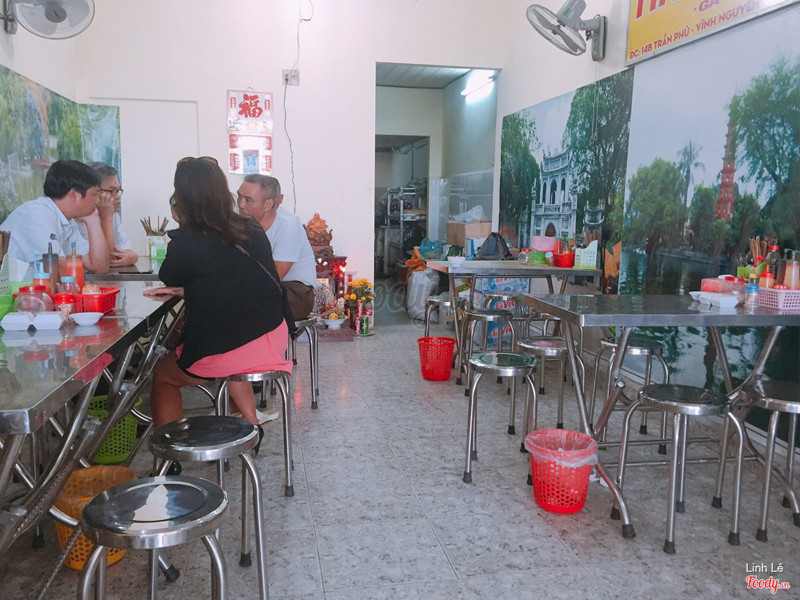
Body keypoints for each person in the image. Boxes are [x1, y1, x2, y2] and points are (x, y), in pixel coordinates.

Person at [144, 157, 292, 437]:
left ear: (182, 198)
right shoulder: (250, 226)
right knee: (234, 334)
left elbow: (169, 275)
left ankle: (170, 451)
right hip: (272, 335)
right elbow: (239, 279)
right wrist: (192, 289)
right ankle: (252, 424)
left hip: (231, 346)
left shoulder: (188, 240)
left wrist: (183, 226)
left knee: (163, 375)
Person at [0, 160, 110, 277]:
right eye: (94, 194)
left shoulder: (67, 221)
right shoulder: (38, 214)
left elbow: (99, 266)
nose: (98, 200)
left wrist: (93, 219)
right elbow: (57, 269)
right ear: (74, 195)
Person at [236, 175, 317, 320]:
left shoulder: (288, 226)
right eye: (239, 197)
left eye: (248, 200)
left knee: (239, 301)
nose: (241, 205)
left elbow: (274, 275)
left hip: (295, 292)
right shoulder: (242, 222)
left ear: (268, 204)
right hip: (260, 286)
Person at [84, 162, 139, 267]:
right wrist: (106, 218)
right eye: (112, 191)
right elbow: (104, 259)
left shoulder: (114, 216)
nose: (117, 196)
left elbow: (126, 251)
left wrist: (133, 257)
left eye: (118, 191)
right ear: (94, 191)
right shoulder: (80, 218)